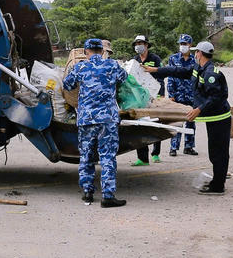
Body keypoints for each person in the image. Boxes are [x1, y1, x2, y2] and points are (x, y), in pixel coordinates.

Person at [146, 41, 231, 193]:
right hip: (212, 117)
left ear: (200, 53)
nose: (194, 55)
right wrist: (156, 69)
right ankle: (217, 181)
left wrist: (198, 109)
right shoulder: (198, 68)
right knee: (214, 151)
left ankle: (218, 186)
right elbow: (179, 71)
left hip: (220, 117)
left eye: (196, 52)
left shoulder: (211, 73)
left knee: (219, 152)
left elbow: (216, 97)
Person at [63, 38, 128, 208]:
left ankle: (87, 192)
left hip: (86, 119)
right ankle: (107, 196)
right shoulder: (112, 65)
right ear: (102, 51)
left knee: (86, 156)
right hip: (107, 119)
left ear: (86, 52)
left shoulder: (80, 67)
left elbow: (67, 85)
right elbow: (124, 78)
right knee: (107, 156)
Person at [130, 35, 164, 166]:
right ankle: (142, 158)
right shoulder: (135, 60)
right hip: (139, 96)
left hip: (154, 94)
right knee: (140, 125)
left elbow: (160, 76)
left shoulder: (155, 59)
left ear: (146, 45)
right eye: (137, 43)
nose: (138, 45)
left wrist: (160, 94)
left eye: (141, 43)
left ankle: (155, 153)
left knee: (155, 123)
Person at [165, 34, 199, 157]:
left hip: (191, 96)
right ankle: (173, 147)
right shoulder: (173, 59)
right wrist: (171, 94)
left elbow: (198, 78)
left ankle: (189, 146)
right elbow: (170, 77)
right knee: (177, 122)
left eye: (185, 44)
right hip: (177, 95)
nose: (182, 46)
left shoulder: (195, 60)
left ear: (190, 45)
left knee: (191, 122)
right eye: (181, 44)